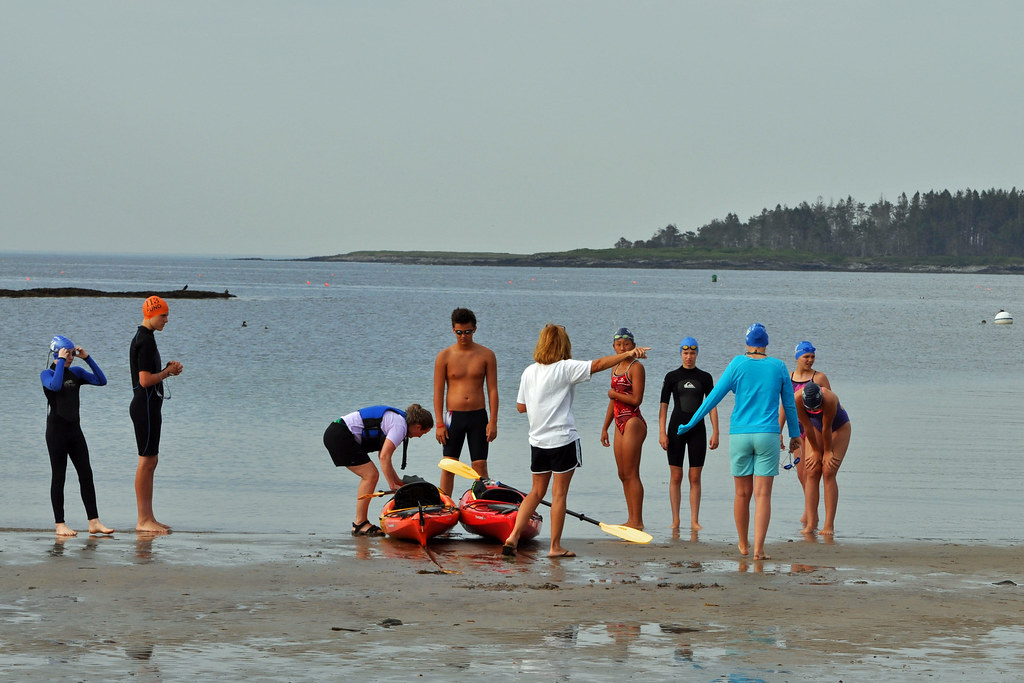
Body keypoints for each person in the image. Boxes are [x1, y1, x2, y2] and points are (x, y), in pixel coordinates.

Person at [503, 324, 649, 558]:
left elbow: (521, 407)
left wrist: (541, 401)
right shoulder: (566, 368)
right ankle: (555, 547)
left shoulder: (529, 371)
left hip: (537, 441)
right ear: (563, 345)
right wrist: (629, 353)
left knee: (536, 492)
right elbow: (599, 364)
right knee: (559, 494)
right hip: (562, 439)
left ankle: (513, 536)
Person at [677, 323, 800, 561]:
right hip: (768, 434)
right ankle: (759, 550)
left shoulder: (736, 364)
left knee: (742, 494)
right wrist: (795, 435)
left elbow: (712, 399)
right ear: (765, 344)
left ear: (747, 343)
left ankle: (743, 544)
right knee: (763, 495)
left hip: (740, 435)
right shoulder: (779, 366)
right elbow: (790, 405)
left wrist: (690, 423)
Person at [41, 335, 114, 537]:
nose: (72, 356)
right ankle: (60, 524)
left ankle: (94, 521)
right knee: (59, 477)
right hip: (56, 432)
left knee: (86, 474)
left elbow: (102, 381)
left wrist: (87, 358)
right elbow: (55, 386)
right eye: (68, 353)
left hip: (75, 431)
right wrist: (61, 361)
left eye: (73, 353)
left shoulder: (77, 372)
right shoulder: (46, 374)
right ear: (57, 353)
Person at [324, 404, 434, 536]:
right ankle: (360, 523)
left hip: (337, 432)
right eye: (423, 432)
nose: (420, 436)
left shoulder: (399, 421)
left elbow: (383, 455)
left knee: (371, 475)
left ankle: (360, 523)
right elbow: (384, 457)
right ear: (417, 426)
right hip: (340, 435)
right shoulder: (400, 427)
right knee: (370, 475)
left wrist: (397, 481)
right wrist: (392, 485)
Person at [129, 296, 183, 533]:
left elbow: (149, 374)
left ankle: (149, 517)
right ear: (151, 314)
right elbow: (144, 380)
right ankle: (143, 520)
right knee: (146, 461)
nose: (167, 320)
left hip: (149, 406)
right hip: (144, 406)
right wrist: (166, 373)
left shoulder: (146, 337)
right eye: (163, 315)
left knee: (152, 461)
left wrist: (165, 370)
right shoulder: (145, 340)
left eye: (167, 315)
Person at [433, 308, 498, 495]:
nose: (464, 336)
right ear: (453, 330)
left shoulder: (487, 355)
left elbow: (492, 390)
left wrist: (493, 421)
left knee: (480, 466)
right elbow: (438, 392)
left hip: (478, 416)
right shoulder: (444, 356)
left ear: (475, 329)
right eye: (459, 332)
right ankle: (445, 506)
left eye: (468, 332)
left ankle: (482, 504)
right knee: (449, 465)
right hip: (453, 416)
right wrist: (439, 423)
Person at [658, 336, 719, 532]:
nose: (689, 357)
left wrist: (716, 431)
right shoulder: (671, 377)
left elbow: (712, 406)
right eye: (685, 353)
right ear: (681, 354)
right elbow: (664, 407)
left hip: (698, 431)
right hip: (675, 429)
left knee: (695, 477)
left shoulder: (705, 377)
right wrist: (662, 432)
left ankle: (694, 520)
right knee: (676, 476)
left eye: (692, 353)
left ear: (697, 354)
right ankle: (675, 521)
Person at [599, 328, 647, 530]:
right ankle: (631, 518)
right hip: (618, 421)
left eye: (626, 344)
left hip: (632, 421)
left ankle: (637, 521)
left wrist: (614, 394)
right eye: (618, 344)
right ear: (613, 347)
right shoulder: (615, 366)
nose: (622, 348)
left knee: (632, 472)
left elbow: (636, 399)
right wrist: (605, 427)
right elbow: (613, 400)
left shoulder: (636, 368)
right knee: (622, 474)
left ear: (633, 347)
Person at [781, 341, 832, 526]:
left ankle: (812, 516)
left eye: (812, 357)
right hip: (797, 431)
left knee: (813, 472)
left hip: (815, 430)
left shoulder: (819, 378)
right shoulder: (788, 378)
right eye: (806, 357)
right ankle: (810, 510)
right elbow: (784, 408)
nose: (810, 360)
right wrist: (779, 431)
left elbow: (828, 407)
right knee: (801, 474)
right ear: (797, 357)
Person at [795, 382, 851, 536]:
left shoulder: (829, 398)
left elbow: (827, 427)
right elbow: (807, 426)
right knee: (811, 471)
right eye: (811, 408)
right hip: (815, 428)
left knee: (828, 470)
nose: (813, 410)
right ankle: (811, 523)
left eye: (816, 407)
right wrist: (814, 451)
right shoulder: (797, 399)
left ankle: (828, 525)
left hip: (839, 428)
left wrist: (827, 452)